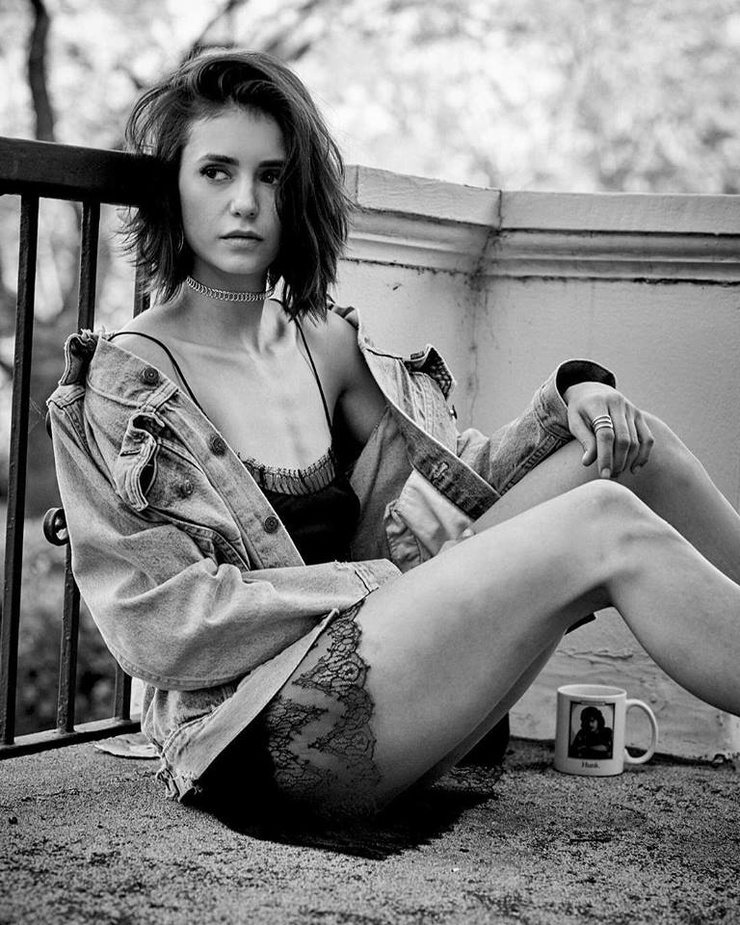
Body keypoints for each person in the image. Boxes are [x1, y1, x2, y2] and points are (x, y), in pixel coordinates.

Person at [47, 49, 740, 824]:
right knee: (603, 523)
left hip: (393, 680)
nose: (245, 201)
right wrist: (378, 585)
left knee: (626, 449)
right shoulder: (128, 385)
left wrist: (575, 396)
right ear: (174, 184)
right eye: (216, 172)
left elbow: (454, 492)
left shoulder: (323, 342)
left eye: (271, 176)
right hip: (253, 735)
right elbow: (164, 629)